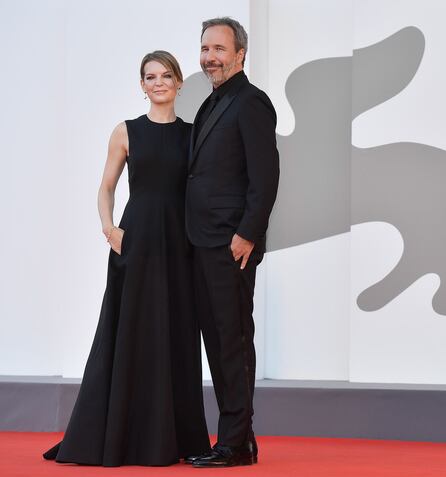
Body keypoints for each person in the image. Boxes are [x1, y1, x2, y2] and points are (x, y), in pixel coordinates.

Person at [42, 51, 211, 466]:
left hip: (178, 247)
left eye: (166, 75)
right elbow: (106, 187)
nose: (158, 83)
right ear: (142, 85)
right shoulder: (126, 131)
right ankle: (119, 437)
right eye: (150, 77)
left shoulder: (194, 134)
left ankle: (173, 440)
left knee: (174, 335)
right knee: (128, 335)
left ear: (178, 83)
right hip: (134, 242)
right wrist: (109, 229)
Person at [183, 17, 279, 468]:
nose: (209, 58)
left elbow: (266, 177)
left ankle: (236, 444)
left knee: (233, 342)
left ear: (240, 54)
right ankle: (237, 436)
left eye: (218, 49)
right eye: (205, 49)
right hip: (202, 243)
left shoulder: (251, 103)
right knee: (217, 342)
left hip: (230, 245)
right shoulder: (210, 103)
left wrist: (247, 234)